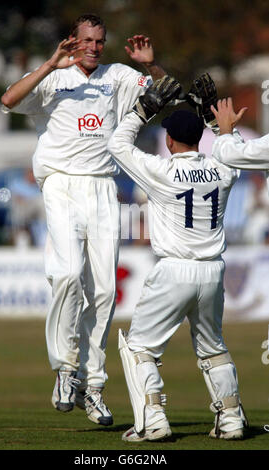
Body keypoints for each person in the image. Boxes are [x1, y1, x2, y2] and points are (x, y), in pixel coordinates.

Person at [1, 13, 166, 426]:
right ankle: (64, 370)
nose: (94, 47)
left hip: (103, 187)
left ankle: (92, 386)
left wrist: (150, 64)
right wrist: (49, 65)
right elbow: (8, 100)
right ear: (72, 41)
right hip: (60, 183)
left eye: (100, 41)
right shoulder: (52, 77)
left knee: (106, 292)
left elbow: (166, 94)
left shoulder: (118, 76)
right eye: (87, 40)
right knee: (68, 273)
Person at [107, 75, 248, 442]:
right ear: (201, 138)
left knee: (140, 348)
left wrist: (144, 108)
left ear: (169, 141)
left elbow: (117, 145)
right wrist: (216, 121)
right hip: (213, 270)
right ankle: (231, 419)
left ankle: (153, 420)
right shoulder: (222, 170)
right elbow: (232, 150)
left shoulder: (162, 170)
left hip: (173, 270)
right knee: (213, 347)